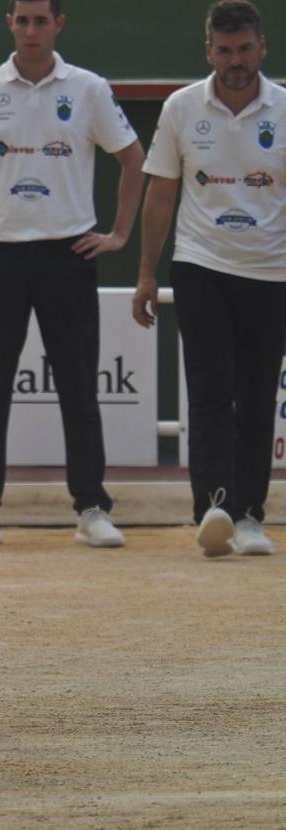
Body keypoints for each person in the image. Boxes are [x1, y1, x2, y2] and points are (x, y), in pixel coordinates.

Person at [0, 0, 145, 548]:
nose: (33, 29)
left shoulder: (87, 88)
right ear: (9, 23)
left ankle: (91, 508)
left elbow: (134, 158)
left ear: (59, 25)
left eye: (43, 20)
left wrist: (118, 234)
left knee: (79, 388)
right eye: (24, 19)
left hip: (70, 255)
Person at [134, 0, 285, 558]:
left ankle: (250, 516)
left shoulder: (285, 109)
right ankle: (214, 509)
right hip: (200, 265)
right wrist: (147, 274)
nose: (235, 61)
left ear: (262, 47)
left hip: (271, 271)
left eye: (245, 49)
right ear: (209, 52)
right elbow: (162, 195)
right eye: (224, 51)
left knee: (256, 395)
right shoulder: (180, 108)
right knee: (210, 391)